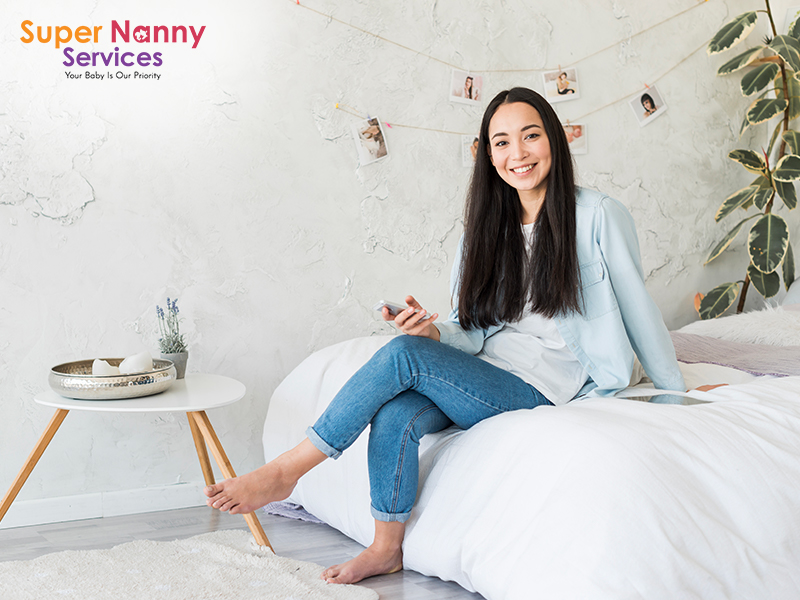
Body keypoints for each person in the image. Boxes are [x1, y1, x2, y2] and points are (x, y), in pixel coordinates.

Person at [203, 87, 686, 586]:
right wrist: (431, 330)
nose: (517, 153)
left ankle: (288, 470)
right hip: (486, 374)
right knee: (396, 410)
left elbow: (638, 307)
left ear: (555, 141)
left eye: (531, 136)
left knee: (404, 357)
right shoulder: (482, 231)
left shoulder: (599, 214)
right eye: (501, 142)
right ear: (488, 154)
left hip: (544, 387)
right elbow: (470, 327)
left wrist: (672, 391)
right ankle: (386, 547)